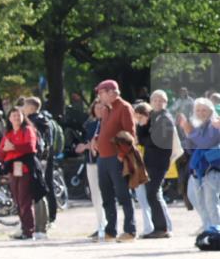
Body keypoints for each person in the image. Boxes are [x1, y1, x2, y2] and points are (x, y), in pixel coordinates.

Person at [93, 80, 137, 242]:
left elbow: (130, 134)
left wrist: (121, 154)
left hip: (116, 158)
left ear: (111, 92)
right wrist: (97, 138)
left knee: (123, 194)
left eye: (101, 93)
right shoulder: (107, 109)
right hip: (103, 158)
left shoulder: (124, 107)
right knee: (106, 195)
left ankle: (130, 230)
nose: (99, 96)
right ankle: (110, 231)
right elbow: (106, 131)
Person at [0, 106, 46, 240]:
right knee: (17, 200)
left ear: (22, 117)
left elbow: (30, 147)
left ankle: (29, 231)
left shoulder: (28, 130)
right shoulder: (8, 134)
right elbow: (0, 153)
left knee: (25, 200)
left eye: (18, 115)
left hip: (25, 169)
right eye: (13, 116)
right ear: (9, 119)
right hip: (13, 170)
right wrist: (6, 150)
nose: (16, 118)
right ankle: (24, 228)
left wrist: (13, 147)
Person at [177, 98, 220, 232]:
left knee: (211, 203)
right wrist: (187, 132)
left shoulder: (215, 124)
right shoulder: (197, 126)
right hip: (198, 169)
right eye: (198, 110)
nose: (201, 113)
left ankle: (216, 231)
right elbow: (190, 149)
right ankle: (208, 228)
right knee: (197, 200)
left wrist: (190, 132)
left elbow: (206, 143)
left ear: (211, 111)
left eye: (204, 110)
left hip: (212, 170)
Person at [135, 93, 175, 238]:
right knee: (151, 194)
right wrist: (142, 123)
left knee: (152, 193)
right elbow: (141, 139)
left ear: (166, 102)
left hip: (159, 163)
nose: (158, 103)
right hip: (151, 161)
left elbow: (155, 141)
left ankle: (162, 228)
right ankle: (159, 227)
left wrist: (145, 135)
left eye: (161, 100)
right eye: (155, 100)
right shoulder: (153, 118)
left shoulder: (165, 118)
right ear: (151, 102)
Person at [21, 97, 57, 227]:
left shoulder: (37, 120)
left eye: (24, 106)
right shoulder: (42, 119)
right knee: (45, 185)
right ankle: (47, 217)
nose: (22, 108)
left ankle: (48, 218)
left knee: (44, 186)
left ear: (31, 108)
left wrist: (26, 119)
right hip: (43, 157)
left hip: (41, 158)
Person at [74, 100, 107, 238]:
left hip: (104, 161)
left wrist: (87, 146)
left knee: (105, 193)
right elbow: (84, 143)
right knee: (95, 195)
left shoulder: (108, 124)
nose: (99, 110)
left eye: (101, 108)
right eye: (97, 108)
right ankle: (101, 224)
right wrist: (82, 146)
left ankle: (107, 225)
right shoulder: (90, 125)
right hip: (90, 162)